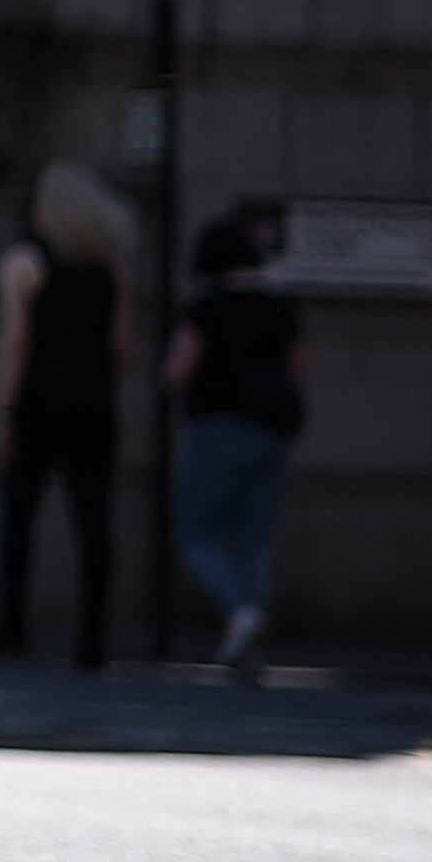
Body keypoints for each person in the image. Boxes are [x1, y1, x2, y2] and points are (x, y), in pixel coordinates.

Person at [0, 156, 133, 668]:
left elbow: (15, 342)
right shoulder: (111, 271)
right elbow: (119, 350)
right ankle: (92, 639)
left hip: (39, 401)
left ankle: (11, 628)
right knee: (93, 525)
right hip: (92, 404)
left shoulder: (24, 264)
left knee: (18, 518)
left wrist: (5, 410)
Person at [167, 210, 304, 679]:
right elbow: (294, 372)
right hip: (270, 431)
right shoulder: (278, 306)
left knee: (197, 535)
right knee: (252, 541)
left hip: (215, 426)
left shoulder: (206, 308)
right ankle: (250, 640)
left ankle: (239, 614)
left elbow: (179, 369)